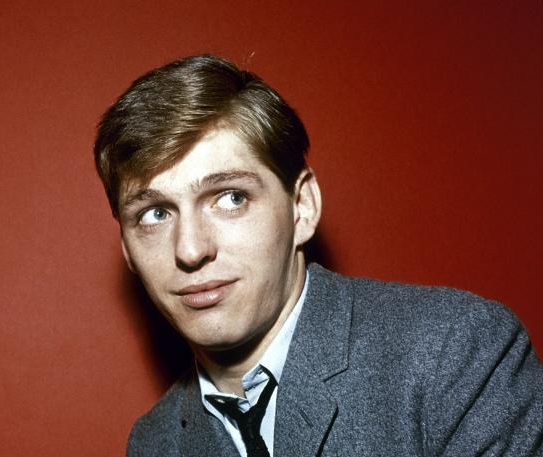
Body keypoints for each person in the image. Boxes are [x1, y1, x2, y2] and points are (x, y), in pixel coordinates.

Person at [93, 55, 543, 456]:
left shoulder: (454, 353)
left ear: (302, 207)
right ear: (128, 251)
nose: (190, 249)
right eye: (154, 214)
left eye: (231, 197)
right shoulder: (153, 442)